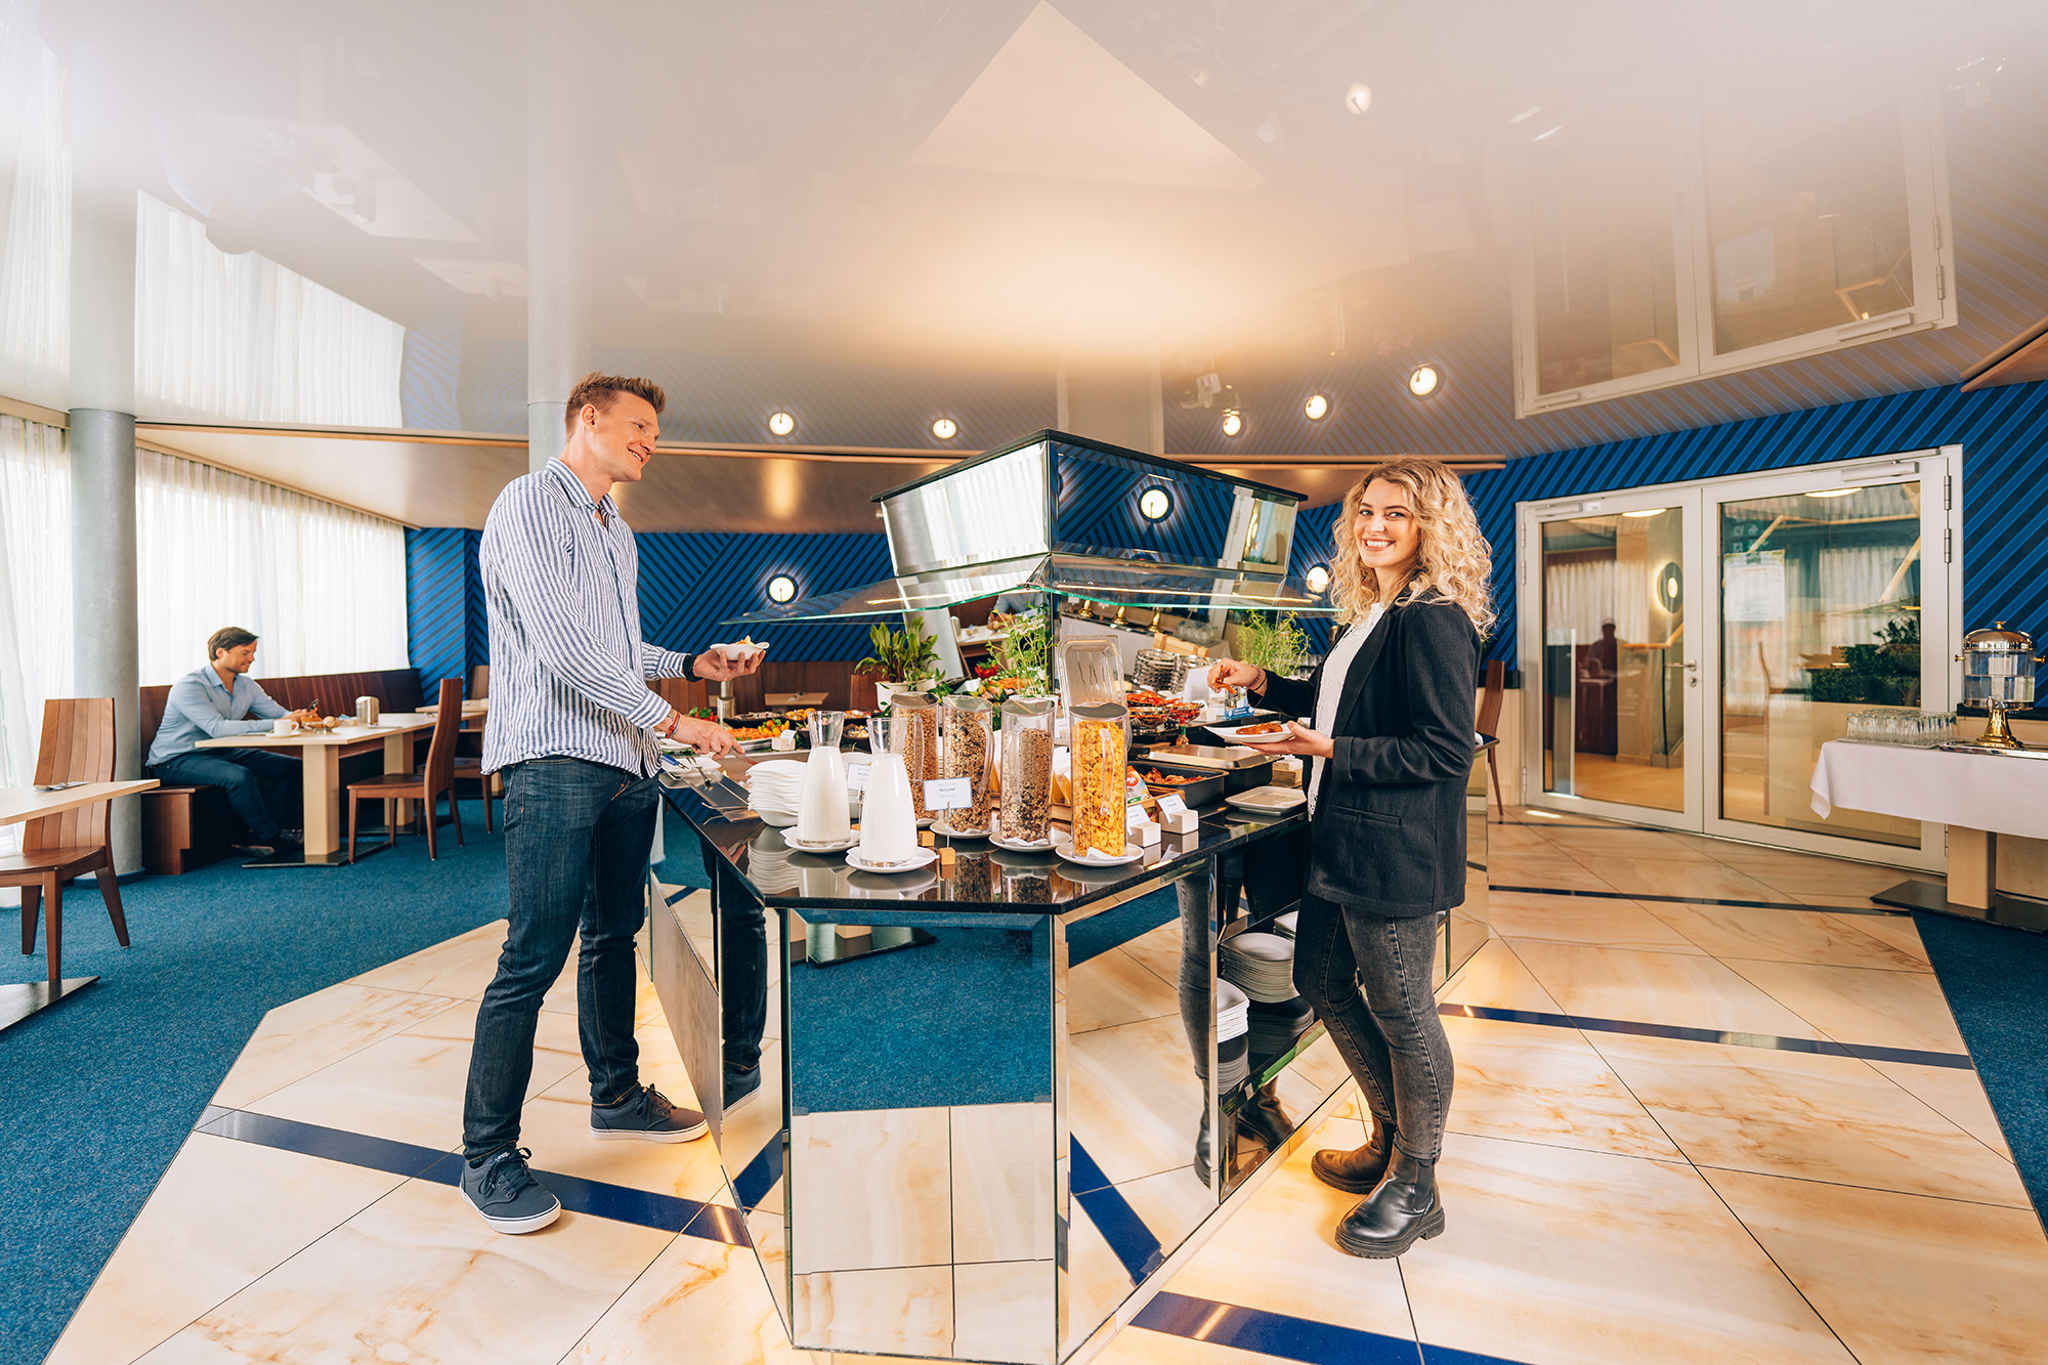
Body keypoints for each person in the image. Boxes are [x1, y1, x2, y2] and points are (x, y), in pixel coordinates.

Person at [459, 371, 762, 1235]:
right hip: (556, 758)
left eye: (654, 434)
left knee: (611, 936)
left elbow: (616, 650)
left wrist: (692, 663)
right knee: (532, 956)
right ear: (587, 419)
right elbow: (561, 648)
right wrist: (677, 719)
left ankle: (617, 1093)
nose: (649, 444)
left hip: (624, 763)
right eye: (637, 427)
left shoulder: (614, 530)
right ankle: (486, 1154)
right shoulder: (529, 504)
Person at [1209, 457, 1490, 1258]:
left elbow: (1444, 749)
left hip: (1395, 851)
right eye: (1367, 510)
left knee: (1404, 1008)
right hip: (1341, 839)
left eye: (1396, 513)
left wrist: (1331, 750)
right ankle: (1392, 1137)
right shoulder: (1373, 611)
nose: (1375, 526)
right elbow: (1337, 704)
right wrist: (1265, 682)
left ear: (1430, 525)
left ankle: (1417, 1182)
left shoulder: (1433, 615)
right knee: (1321, 980)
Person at [145, 627, 317, 855]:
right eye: (245, 652)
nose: (252, 658)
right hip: (175, 759)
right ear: (220, 652)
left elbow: (279, 715)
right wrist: (280, 722)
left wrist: (297, 717)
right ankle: (270, 838)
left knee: (291, 767)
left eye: (253, 652)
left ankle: (290, 830)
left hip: (218, 752)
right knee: (239, 776)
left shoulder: (246, 685)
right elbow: (216, 728)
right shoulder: (190, 686)